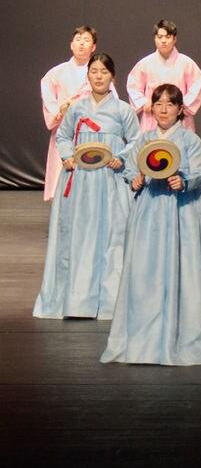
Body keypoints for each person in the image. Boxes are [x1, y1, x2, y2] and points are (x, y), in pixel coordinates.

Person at [101, 84, 201, 365]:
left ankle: (185, 335)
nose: (163, 109)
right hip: (149, 212)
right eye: (158, 103)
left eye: (170, 104)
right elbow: (130, 167)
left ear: (180, 110)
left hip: (182, 212)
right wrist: (134, 178)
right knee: (146, 272)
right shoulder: (144, 139)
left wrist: (184, 180)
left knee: (185, 270)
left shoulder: (190, 141)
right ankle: (145, 338)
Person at [33, 52, 140, 319]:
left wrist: (120, 159)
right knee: (78, 237)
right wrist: (68, 155)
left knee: (112, 238)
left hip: (111, 181)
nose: (99, 76)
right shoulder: (77, 108)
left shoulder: (123, 110)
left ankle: (110, 303)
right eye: (94, 71)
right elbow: (64, 136)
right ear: (88, 75)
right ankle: (76, 301)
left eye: (104, 72)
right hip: (80, 181)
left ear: (112, 76)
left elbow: (136, 141)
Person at [39, 25, 98, 201]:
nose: (81, 44)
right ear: (71, 45)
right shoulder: (56, 73)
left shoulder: (98, 71)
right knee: (61, 173)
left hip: (90, 132)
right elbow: (49, 98)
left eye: (86, 40)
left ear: (93, 47)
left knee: (88, 179)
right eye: (78, 40)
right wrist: (60, 110)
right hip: (65, 129)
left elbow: (110, 99)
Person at [126, 19, 201, 133]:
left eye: (167, 37)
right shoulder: (145, 63)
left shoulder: (186, 63)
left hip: (179, 118)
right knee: (152, 149)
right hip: (152, 118)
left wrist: (182, 106)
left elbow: (197, 84)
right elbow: (133, 85)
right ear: (155, 38)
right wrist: (144, 102)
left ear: (174, 39)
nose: (163, 41)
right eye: (159, 37)